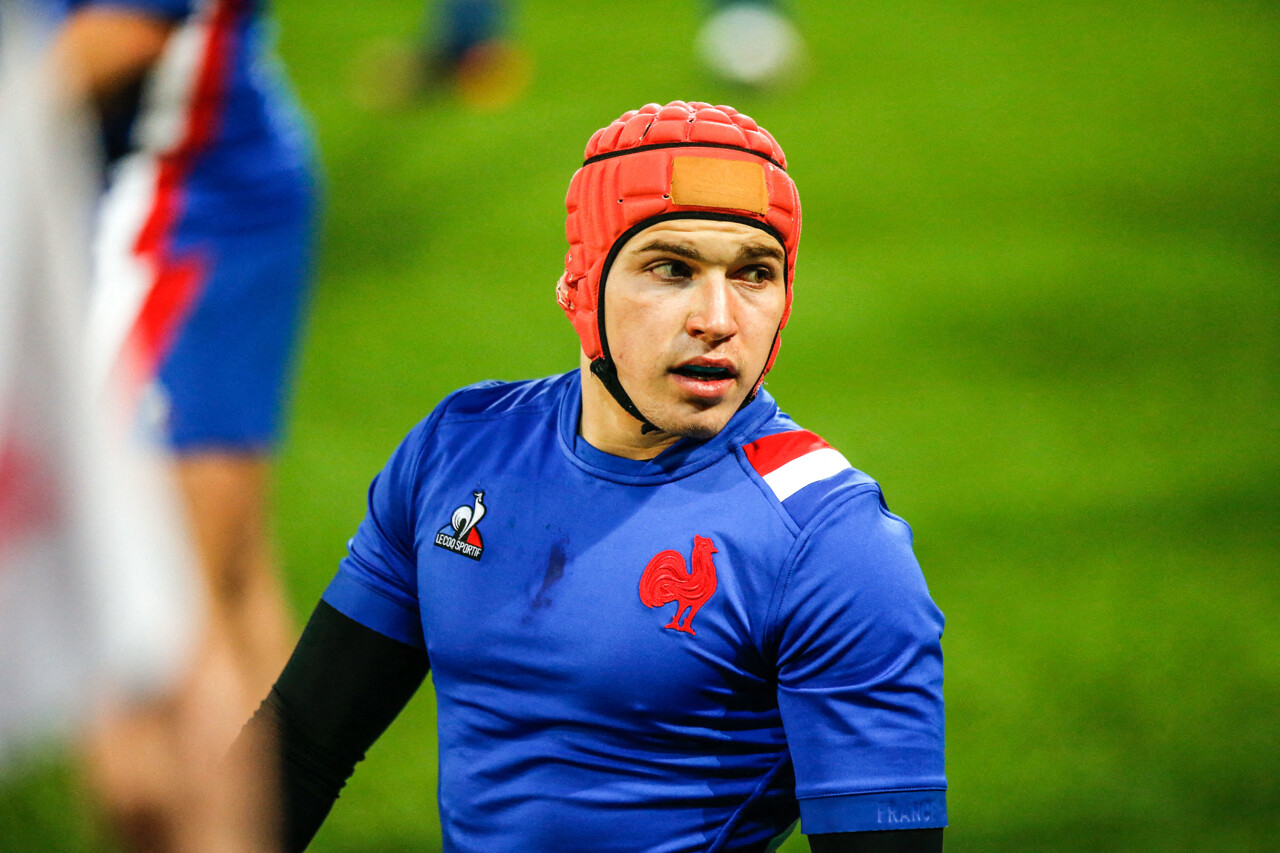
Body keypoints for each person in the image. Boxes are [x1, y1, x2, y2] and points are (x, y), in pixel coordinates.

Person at [236, 100, 946, 852]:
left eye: (754, 273)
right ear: (582, 284)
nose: (717, 318)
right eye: (671, 269)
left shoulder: (831, 541)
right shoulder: (459, 449)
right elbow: (300, 745)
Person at [53, 0, 316, 847]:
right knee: (221, 587)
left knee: (146, 633)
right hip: (175, 193)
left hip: (171, 203)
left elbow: (124, 29)